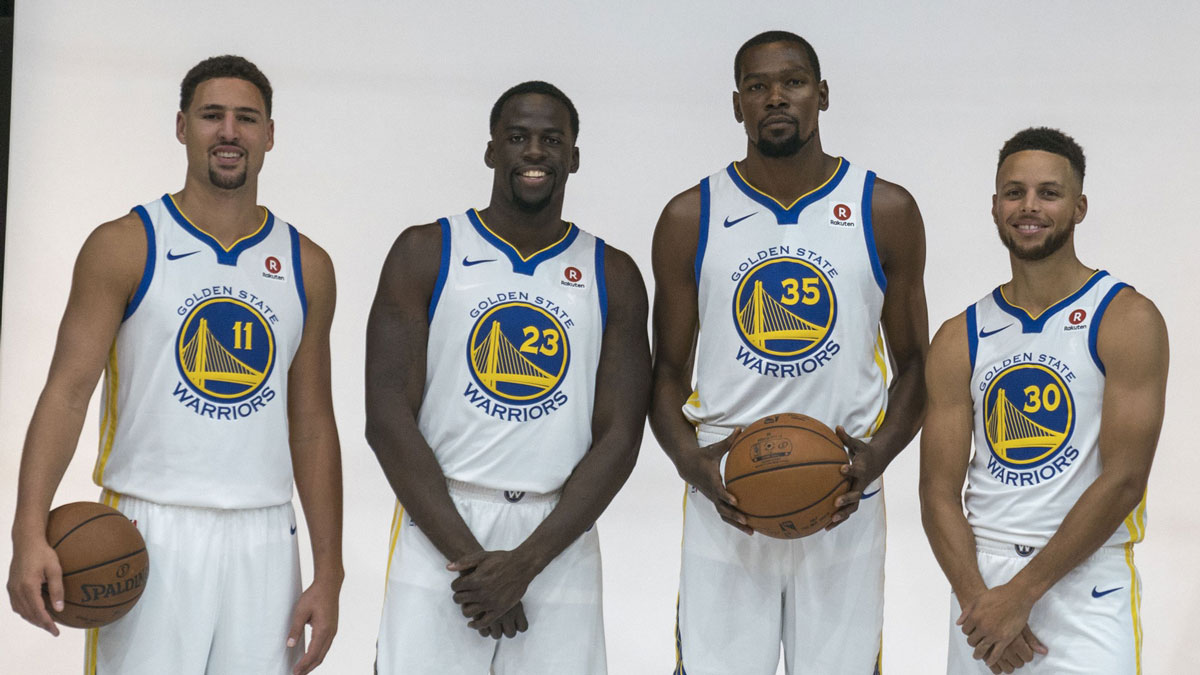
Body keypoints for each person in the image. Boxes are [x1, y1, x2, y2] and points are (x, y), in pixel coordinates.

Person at [6, 55, 343, 675]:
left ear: (270, 134)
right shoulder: (125, 244)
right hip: (147, 527)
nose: (229, 132)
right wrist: (27, 530)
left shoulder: (307, 265)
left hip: (266, 534)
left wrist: (331, 572)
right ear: (182, 126)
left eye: (247, 118)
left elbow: (314, 425)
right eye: (212, 115)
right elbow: (67, 393)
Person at [650, 30, 929, 674]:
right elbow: (665, 372)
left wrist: (875, 459)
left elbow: (916, 366)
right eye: (758, 86)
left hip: (844, 498)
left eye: (794, 82)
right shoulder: (690, 217)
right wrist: (692, 464)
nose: (776, 97)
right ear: (737, 104)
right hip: (727, 496)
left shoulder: (884, 209)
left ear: (822, 94)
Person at [365, 80, 650, 674]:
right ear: (492, 150)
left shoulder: (613, 273)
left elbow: (621, 436)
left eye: (552, 140)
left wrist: (524, 564)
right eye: (518, 137)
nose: (535, 152)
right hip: (440, 527)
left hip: (558, 537)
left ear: (575, 156)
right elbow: (387, 418)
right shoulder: (426, 251)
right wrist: (475, 564)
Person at [920, 127, 1167, 674]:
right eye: (1015, 193)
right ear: (995, 206)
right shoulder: (960, 336)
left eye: (1048, 193)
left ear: (1079, 207)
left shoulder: (1126, 318)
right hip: (981, 586)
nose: (1029, 206)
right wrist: (981, 602)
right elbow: (937, 491)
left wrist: (1023, 594)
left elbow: (1125, 479)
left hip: (1086, 581)